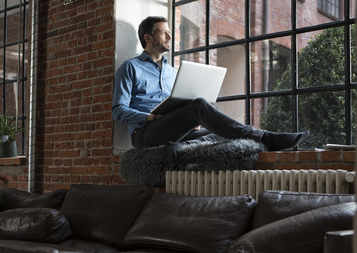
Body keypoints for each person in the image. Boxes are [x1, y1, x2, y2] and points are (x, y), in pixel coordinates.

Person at [112, 16, 309, 160]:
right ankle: (264, 136)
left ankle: (178, 147)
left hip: (174, 132)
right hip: (145, 133)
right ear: (148, 37)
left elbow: (176, 103)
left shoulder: (173, 72)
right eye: (164, 32)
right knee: (198, 105)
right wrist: (148, 117)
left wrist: (189, 121)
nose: (170, 36)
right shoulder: (130, 67)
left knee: (223, 131)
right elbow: (118, 111)